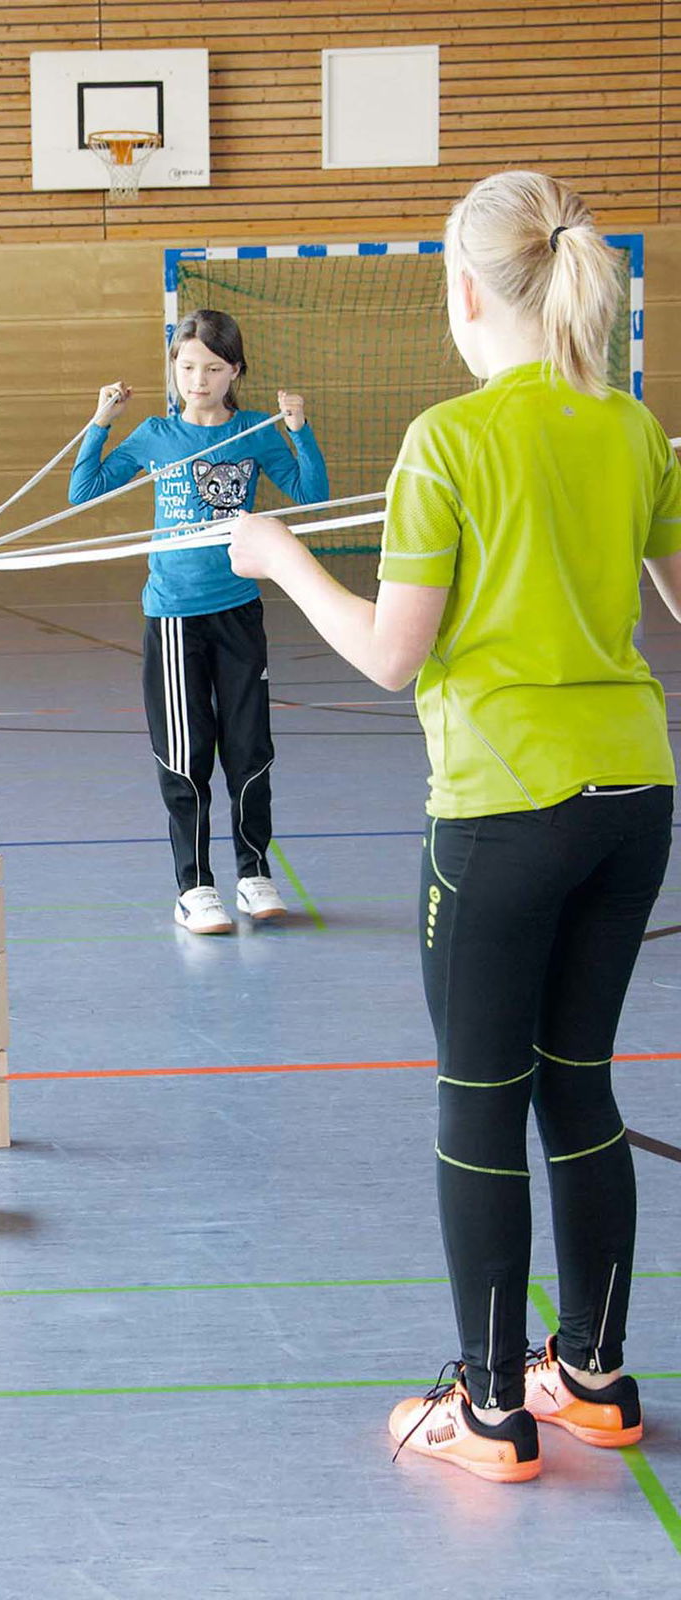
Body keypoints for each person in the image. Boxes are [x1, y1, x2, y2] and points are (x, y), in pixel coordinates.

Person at [228, 171, 681, 1483]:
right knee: (578, 1085)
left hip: (504, 814)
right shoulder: (630, 427)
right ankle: (591, 1379)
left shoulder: (450, 439)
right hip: (632, 801)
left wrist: (277, 558)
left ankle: (490, 1413)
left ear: (467, 291)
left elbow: (388, 654)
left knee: (481, 1103)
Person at [70, 310, 329, 934]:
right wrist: (101, 423)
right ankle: (193, 887)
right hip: (174, 618)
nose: (198, 379)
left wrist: (299, 430)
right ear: (173, 368)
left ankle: (253, 873)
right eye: (187, 367)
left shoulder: (255, 432)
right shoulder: (156, 435)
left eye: (213, 368)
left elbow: (313, 494)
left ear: (235, 370)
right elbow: (84, 491)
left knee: (249, 750)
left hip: (238, 612)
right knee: (187, 756)